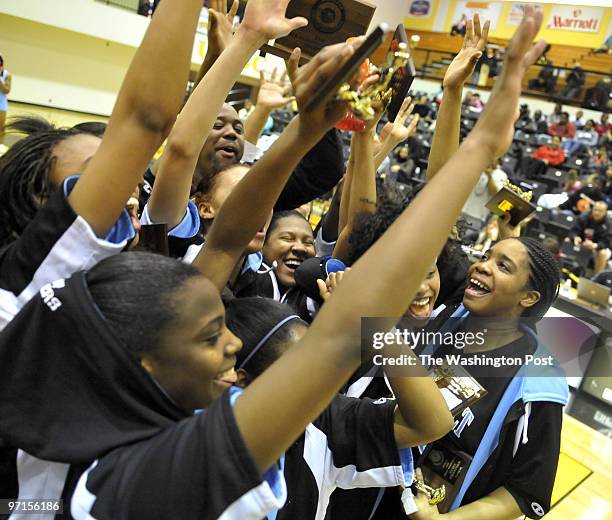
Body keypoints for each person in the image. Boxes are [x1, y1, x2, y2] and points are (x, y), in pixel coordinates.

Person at [226, 296, 453, 520]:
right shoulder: (204, 440)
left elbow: (431, 423)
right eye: (295, 373)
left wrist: (378, 327)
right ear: (242, 381)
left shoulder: (321, 419)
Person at [410, 237, 567, 520]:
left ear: (528, 297)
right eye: (485, 257)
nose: (482, 267)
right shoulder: (446, 314)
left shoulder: (540, 383)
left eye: (503, 267)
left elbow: (524, 492)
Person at [567, 200, 611, 274]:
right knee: (567, 241)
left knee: (603, 253)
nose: (597, 212)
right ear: (592, 209)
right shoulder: (583, 217)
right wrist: (575, 237)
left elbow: (607, 241)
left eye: (600, 211)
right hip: (582, 243)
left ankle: (596, 277)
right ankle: (566, 270)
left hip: (597, 247)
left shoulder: (608, 224)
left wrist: (595, 245)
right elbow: (573, 231)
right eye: (595, 210)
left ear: (605, 213)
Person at [0, 54, 11, 145]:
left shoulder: (6, 75)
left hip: (1, 104)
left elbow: (6, 90)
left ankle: (0, 146)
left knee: (1, 127)